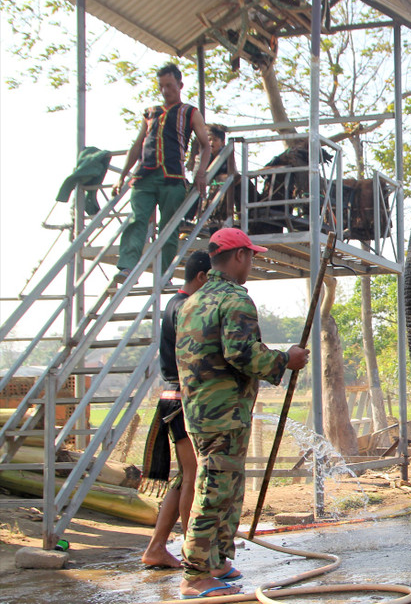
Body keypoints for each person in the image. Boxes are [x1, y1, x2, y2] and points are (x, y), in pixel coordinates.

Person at [175, 227, 309, 599]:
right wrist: (286, 359)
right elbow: (242, 353)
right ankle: (196, 574)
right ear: (239, 257)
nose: (252, 262)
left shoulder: (192, 301)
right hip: (225, 412)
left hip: (201, 411)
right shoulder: (235, 300)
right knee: (215, 490)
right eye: (251, 256)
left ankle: (217, 560)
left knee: (226, 487)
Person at [141, 251, 211, 569]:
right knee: (193, 474)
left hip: (172, 397)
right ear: (202, 278)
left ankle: (158, 547)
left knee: (185, 475)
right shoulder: (187, 308)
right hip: (182, 399)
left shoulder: (173, 304)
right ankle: (191, 549)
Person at [111, 63, 211, 284]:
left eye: (170, 85)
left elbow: (206, 145)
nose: (165, 91)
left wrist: (200, 173)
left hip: (173, 177)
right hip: (144, 176)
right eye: (162, 86)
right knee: (137, 220)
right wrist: (122, 176)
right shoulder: (150, 113)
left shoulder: (189, 112)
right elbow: (137, 145)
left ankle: (164, 274)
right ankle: (127, 267)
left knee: (169, 226)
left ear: (180, 85)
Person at [185, 124, 237, 231]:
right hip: (207, 185)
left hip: (222, 189)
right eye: (209, 140)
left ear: (222, 142)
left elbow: (234, 173)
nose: (211, 143)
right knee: (194, 187)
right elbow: (196, 176)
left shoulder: (227, 154)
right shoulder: (201, 156)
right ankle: (188, 218)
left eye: (215, 140)